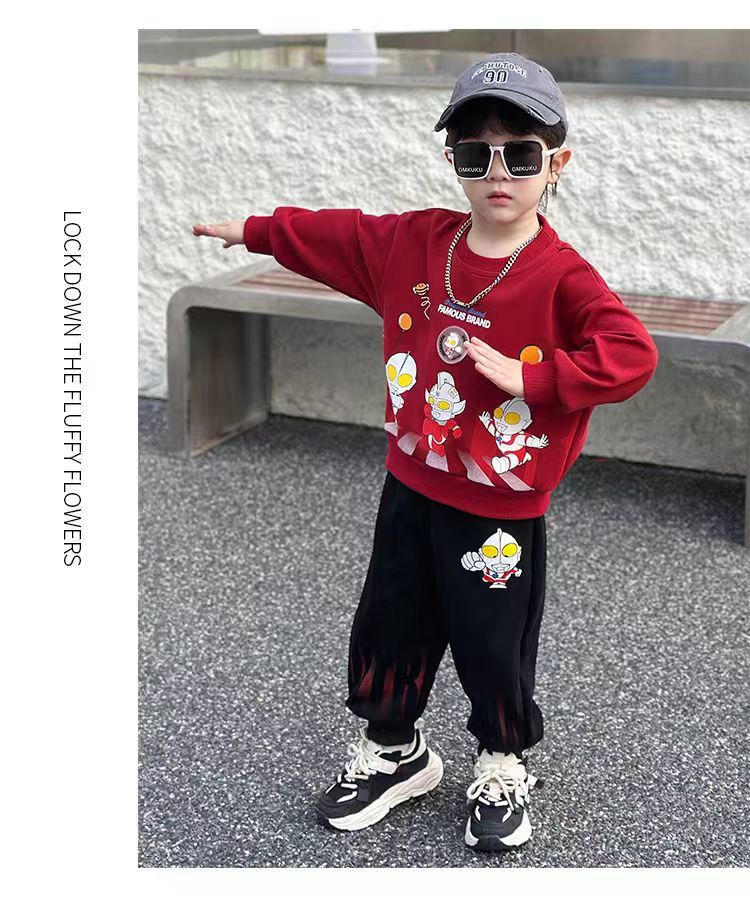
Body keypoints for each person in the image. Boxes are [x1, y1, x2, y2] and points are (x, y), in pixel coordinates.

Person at [192, 51, 659, 853]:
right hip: (411, 485)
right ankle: (394, 751)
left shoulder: (562, 277)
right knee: (390, 622)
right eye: (476, 154)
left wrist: (534, 377)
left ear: (557, 164)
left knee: (491, 639)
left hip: (500, 508)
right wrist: (258, 232)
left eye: (521, 154)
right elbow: (338, 234)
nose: (498, 172)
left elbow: (630, 353)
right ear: (453, 161)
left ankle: (502, 760)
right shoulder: (416, 243)